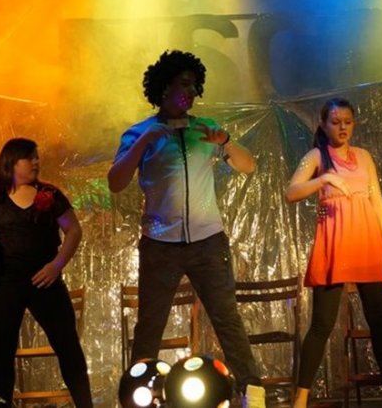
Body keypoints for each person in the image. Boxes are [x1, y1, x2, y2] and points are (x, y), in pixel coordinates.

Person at [107, 50, 266, 408]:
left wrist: (225, 141)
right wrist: (145, 142)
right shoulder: (140, 133)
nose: (192, 92)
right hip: (160, 244)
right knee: (150, 325)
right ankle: (138, 399)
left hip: (207, 241)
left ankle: (253, 395)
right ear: (164, 88)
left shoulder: (204, 129)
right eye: (184, 85)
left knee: (227, 319)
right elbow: (116, 182)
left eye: (195, 86)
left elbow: (249, 166)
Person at [0, 138, 92, 408]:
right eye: (30, 157)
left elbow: (73, 230)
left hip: (45, 282)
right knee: (1, 355)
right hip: (5, 284)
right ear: (12, 163)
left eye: (37, 157)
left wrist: (56, 265)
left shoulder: (49, 195)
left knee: (68, 347)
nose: (36, 162)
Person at [286, 97, 382, 408]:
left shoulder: (364, 157)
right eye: (335, 122)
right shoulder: (317, 156)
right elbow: (291, 192)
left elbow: (378, 202)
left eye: (347, 122)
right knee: (321, 324)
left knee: (379, 321)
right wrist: (324, 178)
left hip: (367, 241)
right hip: (335, 243)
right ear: (323, 124)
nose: (342, 127)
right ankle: (300, 399)